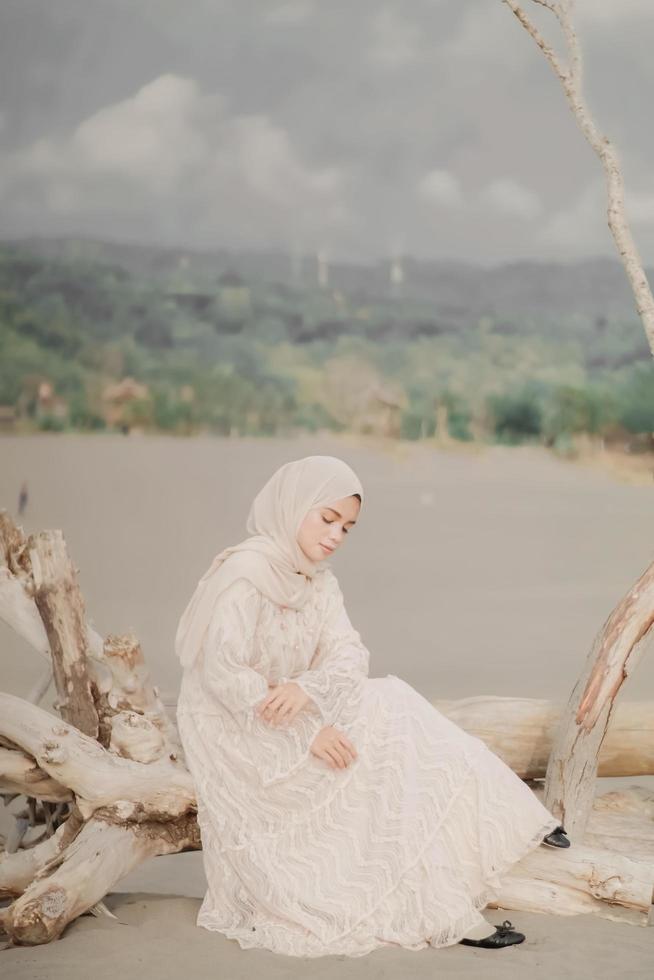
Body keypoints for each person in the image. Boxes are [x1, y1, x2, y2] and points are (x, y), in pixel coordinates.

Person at [175, 454, 570, 958]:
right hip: (234, 727)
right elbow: (221, 672)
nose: (336, 535)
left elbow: (350, 654)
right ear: (294, 506)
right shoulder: (245, 573)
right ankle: (471, 884)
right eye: (327, 518)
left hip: (289, 708)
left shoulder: (316, 580)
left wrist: (309, 691)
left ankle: (485, 857)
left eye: (347, 527)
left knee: (392, 705)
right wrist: (308, 731)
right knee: (382, 745)